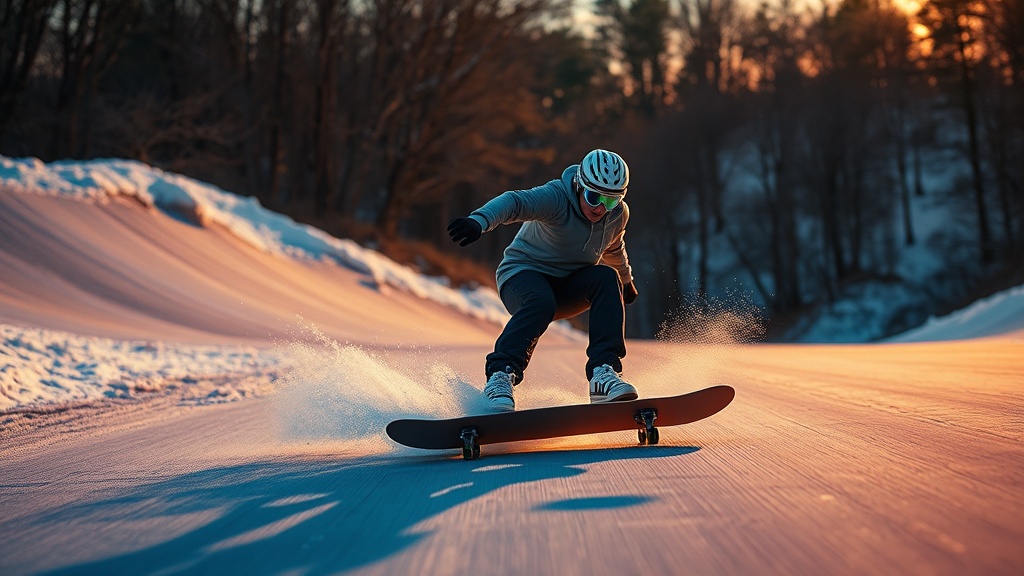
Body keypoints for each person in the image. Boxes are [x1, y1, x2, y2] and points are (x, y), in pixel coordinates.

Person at [447, 149, 640, 412]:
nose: (599, 208)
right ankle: (500, 377)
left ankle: (603, 374)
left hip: (568, 286)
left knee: (607, 277)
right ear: (579, 185)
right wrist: (479, 221)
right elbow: (514, 202)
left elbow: (614, 248)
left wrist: (626, 282)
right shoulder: (556, 197)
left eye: (610, 201)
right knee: (540, 302)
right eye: (594, 197)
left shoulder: (618, 215)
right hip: (522, 275)